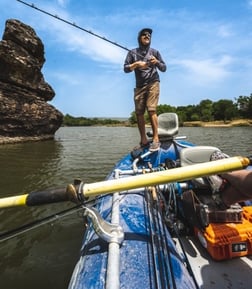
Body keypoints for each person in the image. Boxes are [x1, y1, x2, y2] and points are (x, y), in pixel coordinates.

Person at [124, 28, 166, 151]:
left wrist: (157, 62)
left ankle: (156, 139)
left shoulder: (155, 52)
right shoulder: (132, 53)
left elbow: (164, 68)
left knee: (151, 109)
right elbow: (126, 68)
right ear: (139, 38)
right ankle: (143, 140)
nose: (147, 36)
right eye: (144, 34)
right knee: (139, 113)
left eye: (149, 35)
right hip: (139, 86)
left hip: (153, 82)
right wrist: (136, 64)